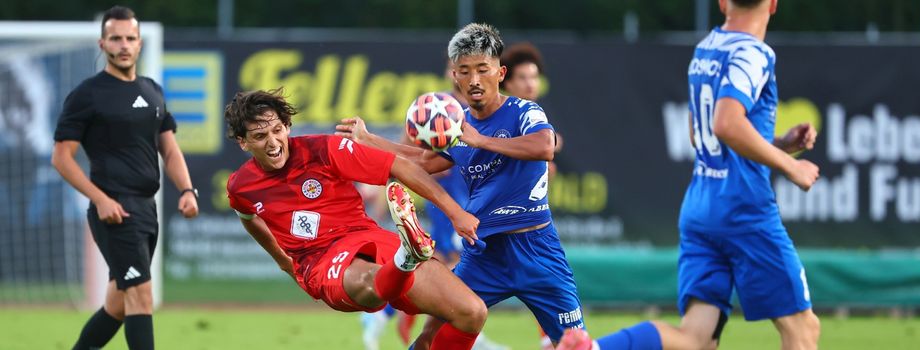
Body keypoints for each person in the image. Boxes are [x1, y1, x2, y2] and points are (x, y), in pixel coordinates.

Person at [558, 0, 821, 349]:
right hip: (744, 208)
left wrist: (780, 144)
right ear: (773, 4)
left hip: (701, 205)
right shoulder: (753, 53)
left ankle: (594, 348)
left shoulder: (707, 48)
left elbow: (700, 134)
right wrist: (792, 166)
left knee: (695, 338)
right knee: (802, 328)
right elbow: (726, 124)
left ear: (723, 2)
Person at [336, 23, 585, 348]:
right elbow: (423, 161)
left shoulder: (523, 110)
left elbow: (544, 146)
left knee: (575, 343)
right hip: (483, 256)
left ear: (500, 73)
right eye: (465, 71)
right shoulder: (456, 124)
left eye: (483, 69)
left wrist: (481, 140)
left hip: (537, 249)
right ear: (455, 76)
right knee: (431, 336)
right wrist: (369, 140)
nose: (474, 79)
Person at [224, 88, 487, 350]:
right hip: (321, 260)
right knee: (370, 283)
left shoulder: (323, 149)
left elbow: (400, 165)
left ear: (287, 127)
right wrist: (284, 262)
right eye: (260, 136)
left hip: (368, 236)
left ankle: (405, 259)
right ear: (243, 142)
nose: (272, 142)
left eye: (277, 130)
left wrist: (456, 213)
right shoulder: (241, 186)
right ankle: (406, 259)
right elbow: (248, 216)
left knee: (471, 312)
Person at [51, 6, 199, 350]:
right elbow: (61, 157)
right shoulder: (88, 94)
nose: (123, 45)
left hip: (146, 210)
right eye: (115, 38)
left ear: (140, 43)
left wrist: (187, 189)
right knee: (141, 297)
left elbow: (170, 150)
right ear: (102, 44)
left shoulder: (152, 90)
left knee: (117, 305)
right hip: (116, 211)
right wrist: (101, 199)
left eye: (130, 38)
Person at [501, 42, 563, 181]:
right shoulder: (502, 114)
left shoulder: (535, 113)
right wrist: (545, 142)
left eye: (534, 77)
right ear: (508, 83)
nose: (530, 84)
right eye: (522, 77)